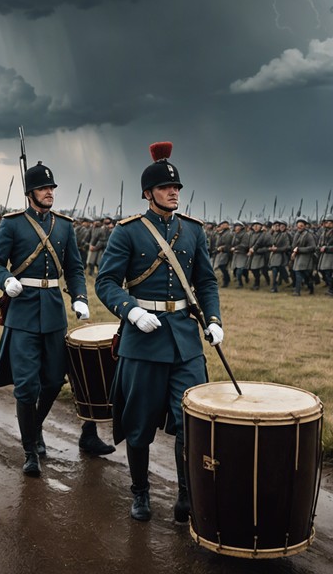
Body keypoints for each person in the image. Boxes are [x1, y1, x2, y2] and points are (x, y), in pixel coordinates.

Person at [95, 142, 222, 524]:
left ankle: (186, 497)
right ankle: (140, 492)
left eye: (177, 188)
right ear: (148, 193)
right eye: (167, 188)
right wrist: (131, 310)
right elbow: (105, 282)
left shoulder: (193, 232)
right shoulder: (128, 233)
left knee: (191, 422)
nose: (174, 193)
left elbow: (206, 281)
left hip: (185, 339)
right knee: (140, 423)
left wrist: (213, 320)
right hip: (143, 338)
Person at [0, 161, 114, 478]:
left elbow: (74, 269)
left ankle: (33, 426)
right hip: (23, 313)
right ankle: (30, 450)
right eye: (44, 188)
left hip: (54, 312)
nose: (49, 193)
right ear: (31, 193)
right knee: (27, 387)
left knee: (55, 381)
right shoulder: (12, 224)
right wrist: (5, 281)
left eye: (52, 188)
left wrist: (81, 298)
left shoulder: (64, 226)